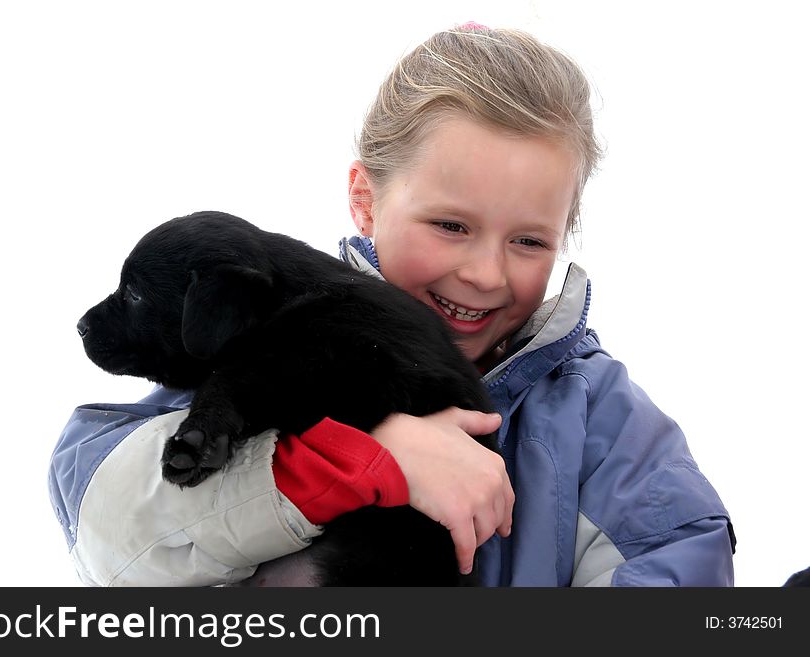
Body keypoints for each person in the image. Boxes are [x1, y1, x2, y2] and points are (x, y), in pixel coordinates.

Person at [48, 23, 735, 587]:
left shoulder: (604, 423)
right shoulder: (243, 343)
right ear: (367, 200)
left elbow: (680, 574)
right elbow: (107, 527)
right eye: (451, 226)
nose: (485, 273)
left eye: (529, 240)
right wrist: (349, 460)